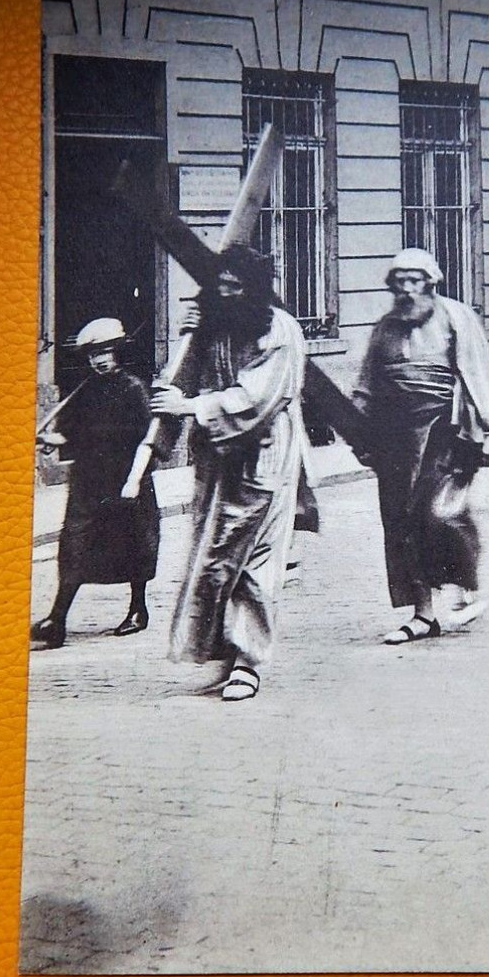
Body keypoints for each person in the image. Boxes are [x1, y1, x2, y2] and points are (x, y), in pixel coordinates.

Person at [149, 246, 312, 701]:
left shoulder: (279, 331)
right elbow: (192, 377)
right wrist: (192, 341)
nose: (226, 293)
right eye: (220, 285)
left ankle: (249, 661)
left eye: (236, 287)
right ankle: (225, 649)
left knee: (254, 561)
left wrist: (191, 406)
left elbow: (257, 399)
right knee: (216, 555)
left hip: (263, 455)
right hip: (218, 458)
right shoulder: (213, 326)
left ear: (255, 289)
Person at [354, 248, 489, 644]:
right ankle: (422, 614)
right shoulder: (386, 327)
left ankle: (466, 588)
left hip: (445, 430)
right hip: (395, 437)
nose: (407, 289)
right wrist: (360, 432)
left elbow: (477, 370)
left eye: (415, 280)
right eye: (400, 281)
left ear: (431, 282)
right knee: (401, 522)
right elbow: (367, 384)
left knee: (441, 513)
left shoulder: (455, 317)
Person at [31, 318, 160, 649]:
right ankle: (56, 620)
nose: (99, 360)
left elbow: (149, 437)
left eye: (105, 352)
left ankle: (138, 610)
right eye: (93, 355)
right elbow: (72, 432)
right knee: (73, 544)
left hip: (126, 479)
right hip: (89, 481)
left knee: (135, 542)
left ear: (117, 352)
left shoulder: (134, 389)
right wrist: (51, 439)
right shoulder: (85, 390)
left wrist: (134, 480)